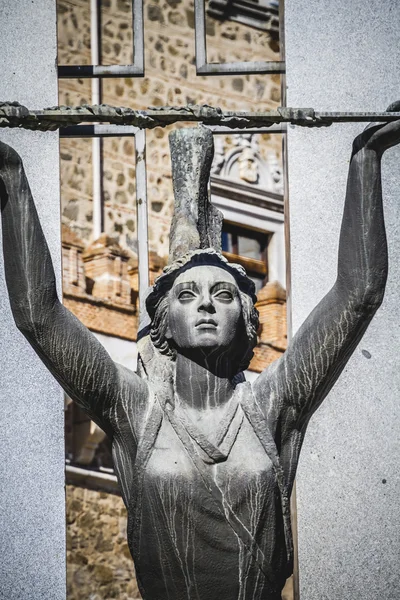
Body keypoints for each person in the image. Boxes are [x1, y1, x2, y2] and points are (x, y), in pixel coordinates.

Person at [1, 106, 399, 600]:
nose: (207, 303)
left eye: (225, 294)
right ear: (164, 322)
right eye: (187, 295)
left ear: (247, 322)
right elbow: (38, 316)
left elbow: (358, 295)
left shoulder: (269, 406)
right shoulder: (137, 411)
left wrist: (367, 158)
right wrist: (12, 176)